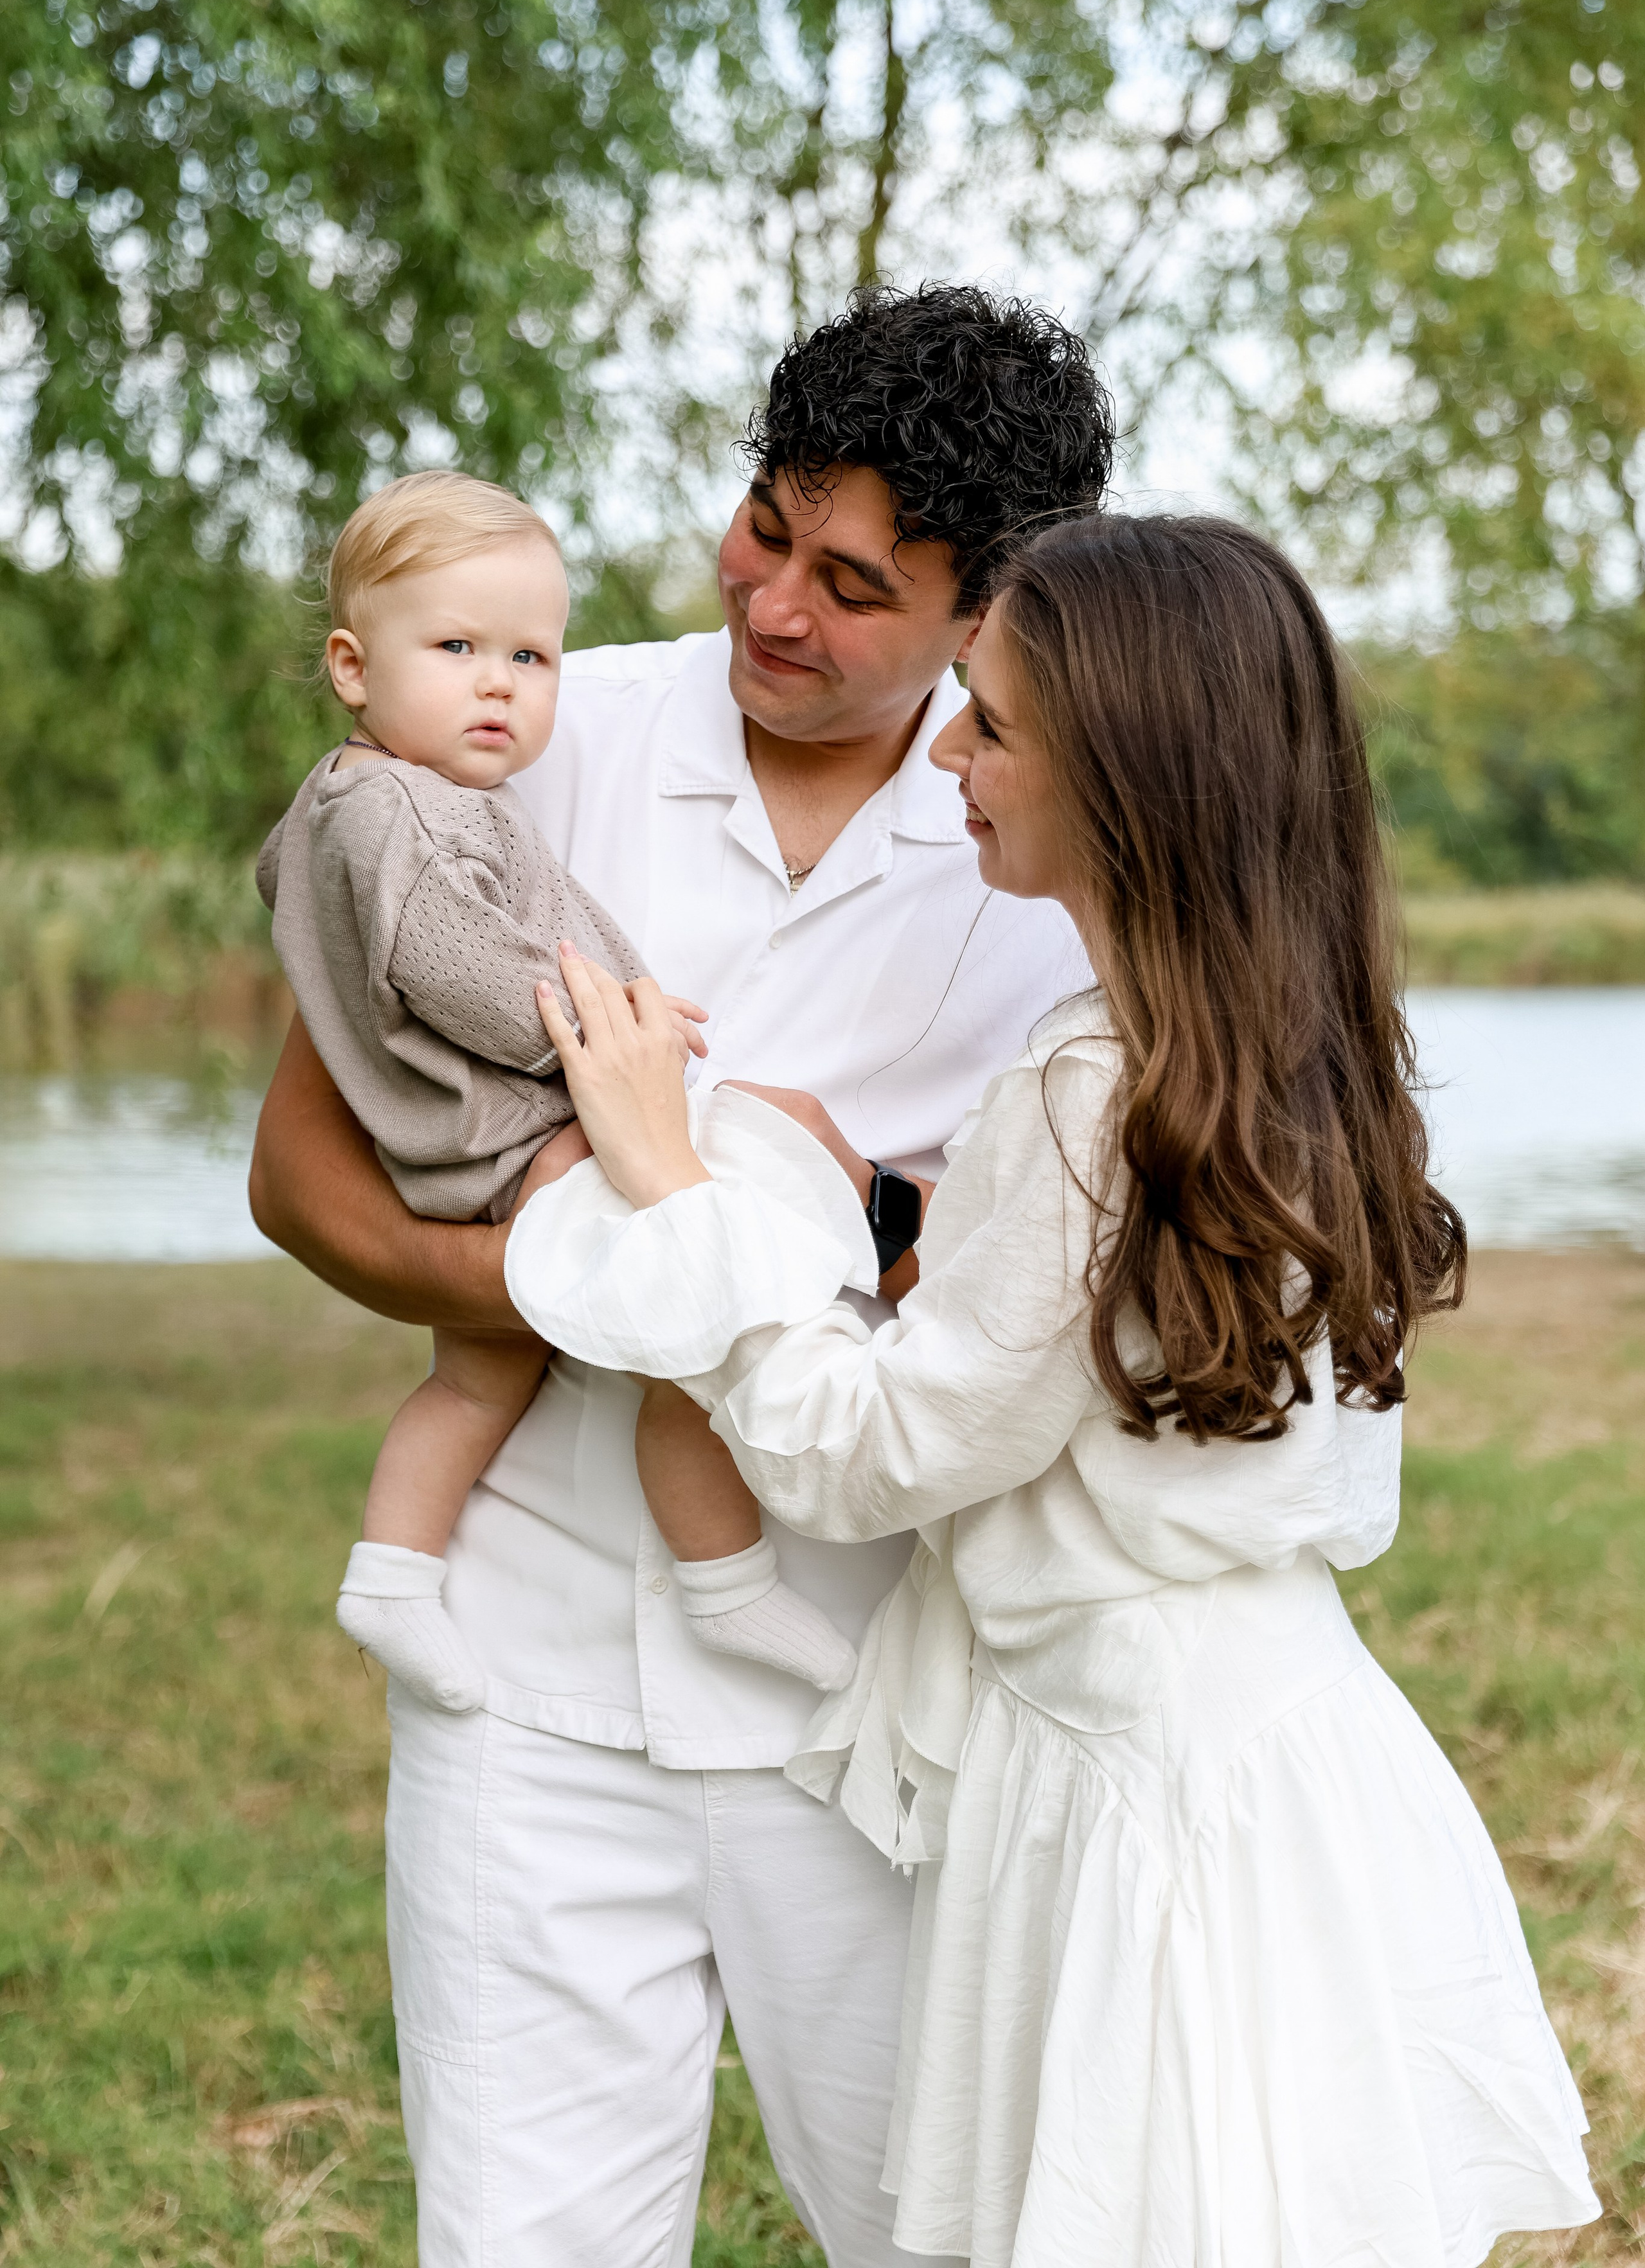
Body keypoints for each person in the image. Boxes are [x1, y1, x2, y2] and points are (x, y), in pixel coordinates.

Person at [508, 511, 1601, 2268]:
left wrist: (682, 1198)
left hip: (1143, 1807)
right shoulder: (1292, 1049)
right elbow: (1075, 1329)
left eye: (992, 723)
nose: (949, 753)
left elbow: (865, 1457)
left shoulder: (1098, 1089)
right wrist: (874, 1207)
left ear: (1129, 778)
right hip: (1286, 1745)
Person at [248, 283, 1107, 2266]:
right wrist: (598, 1294)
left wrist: (807, 1225)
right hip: (527, 1685)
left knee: (939, 2235)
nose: (778, 603)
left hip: (867, 1693)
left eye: (857, 582)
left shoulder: (1046, 848)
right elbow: (304, 1172)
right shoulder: (526, 722)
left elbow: (1035, 1284)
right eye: (766, 524)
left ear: (984, 618)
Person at [258, 468, 858, 1710]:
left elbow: (540, 918)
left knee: (480, 1373)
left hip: (480, 1137)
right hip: (513, 1134)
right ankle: (725, 1576)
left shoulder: (403, 797)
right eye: (460, 647)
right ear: (353, 667)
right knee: (698, 1318)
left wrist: (618, 988)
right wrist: (611, 1027)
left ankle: (392, 1569)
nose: (501, 682)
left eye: (533, 656)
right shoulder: (399, 818)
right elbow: (467, 965)